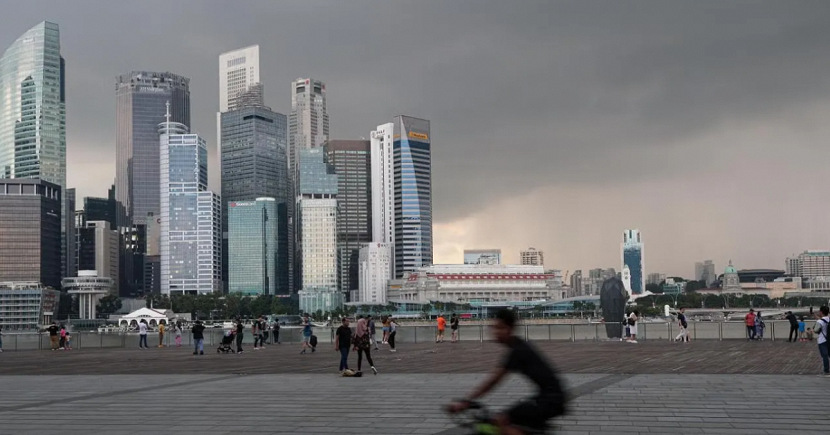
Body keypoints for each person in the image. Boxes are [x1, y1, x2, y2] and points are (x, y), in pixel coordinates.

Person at [447, 309, 566, 434]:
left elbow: (493, 381)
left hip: (551, 399)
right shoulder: (517, 346)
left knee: (502, 421)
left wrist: (466, 402)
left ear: (510, 329)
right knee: (507, 422)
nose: (495, 332)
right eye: (494, 328)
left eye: (500, 328)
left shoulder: (518, 351)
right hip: (550, 397)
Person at [814, 306, 830, 377]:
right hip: (829, 340)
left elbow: (816, 330)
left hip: (822, 340)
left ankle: (826, 370)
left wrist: (817, 321)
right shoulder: (829, 319)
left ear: (821, 312)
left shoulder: (819, 321)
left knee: (825, 356)